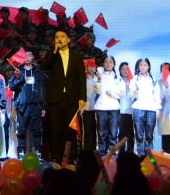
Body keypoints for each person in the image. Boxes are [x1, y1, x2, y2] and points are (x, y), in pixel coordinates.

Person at [41, 29, 86, 163]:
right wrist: (54, 52)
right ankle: (57, 156)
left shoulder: (76, 56)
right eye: (56, 37)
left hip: (72, 98)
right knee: (55, 129)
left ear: (68, 39)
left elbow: (81, 78)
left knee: (70, 129)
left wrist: (82, 98)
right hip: (56, 98)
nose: (59, 39)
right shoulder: (52, 56)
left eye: (62, 36)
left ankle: (71, 157)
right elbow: (45, 67)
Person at [9, 50, 46, 159]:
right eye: (25, 56)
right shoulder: (18, 71)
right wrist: (17, 78)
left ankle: (38, 152)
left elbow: (44, 90)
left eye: (30, 55)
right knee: (21, 130)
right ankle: (21, 151)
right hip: (22, 106)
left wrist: (44, 106)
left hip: (36, 105)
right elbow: (12, 87)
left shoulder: (38, 72)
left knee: (37, 130)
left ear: (33, 57)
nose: (27, 57)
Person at [94, 55, 125, 156]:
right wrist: (99, 80)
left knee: (113, 133)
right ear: (103, 64)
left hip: (114, 108)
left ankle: (113, 155)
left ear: (114, 64)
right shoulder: (99, 76)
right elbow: (97, 91)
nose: (108, 64)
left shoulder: (118, 78)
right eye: (106, 62)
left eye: (110, 62)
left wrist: (111, 92)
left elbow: (122, 93)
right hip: (101, 108)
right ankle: (102, 155)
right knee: (101, 133)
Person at [130, 58, 160, 157]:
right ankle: (139, 155)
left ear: (149, 66)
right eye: (141, 65)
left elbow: (157, 95)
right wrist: (136, 89)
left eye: (145, 65)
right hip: (138, 108)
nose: (143, 67)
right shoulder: (134, 79)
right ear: (138, 67)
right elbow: (132, 94)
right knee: (139, 134)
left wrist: (157, 108)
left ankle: (149, 157)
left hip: (151, 109)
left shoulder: (153, 79)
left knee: (149, 134)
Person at [118, 62, 134, 154]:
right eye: (123, 69)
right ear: (120, 70)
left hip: (131, 111)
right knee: (121, 133)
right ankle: (121, 152)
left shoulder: (134, 81)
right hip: (120, 110)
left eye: (127, 69)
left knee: (130, 133)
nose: (125, 71)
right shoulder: (117, 81)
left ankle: (130, 152)